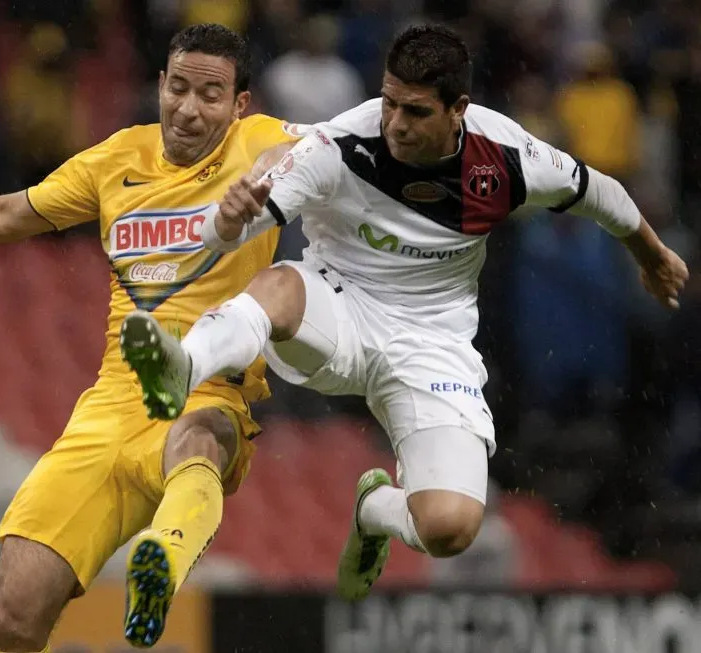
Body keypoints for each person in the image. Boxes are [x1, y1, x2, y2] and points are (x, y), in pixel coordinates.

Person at [118, 24, 689, 601]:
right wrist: (230, 216)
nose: (394, 123)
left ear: (458, 109)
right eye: (389, 103)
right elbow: (227, 235)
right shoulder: (341, 145)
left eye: (415, 112)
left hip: (432, 341)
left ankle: (374, 510)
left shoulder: (510, 158)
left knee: (450, 528)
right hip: (339, 306)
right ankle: (179, 368)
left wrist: (653, 255)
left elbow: (603, 194)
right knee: (279, 287)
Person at [0, 24, 299, 652]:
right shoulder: (116, 160)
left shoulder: (259, 141)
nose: (188, 108)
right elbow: (6, 214)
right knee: (12, 616)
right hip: (111, 405)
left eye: (210, 95)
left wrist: (261, 182)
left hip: (209, 386)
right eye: (178, 88)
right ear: (159, 84)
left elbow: (295, 153)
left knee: (200, 439)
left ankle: (163, 558)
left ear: (240, 104)